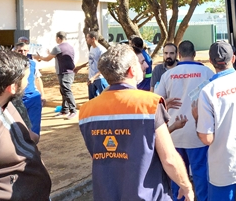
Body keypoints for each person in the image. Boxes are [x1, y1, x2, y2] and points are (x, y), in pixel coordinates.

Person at [78, 44, 194, 201]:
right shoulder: (150, 104)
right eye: (140, 63)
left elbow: (99, 156)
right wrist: (186, 186)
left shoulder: (86, 110)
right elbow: (169, 158)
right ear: (131, 71)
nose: (145, 65)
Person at [0, 49, 52, 200]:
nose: (29, 82)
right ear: (12, 87)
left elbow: (28, 136)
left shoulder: (1, 100)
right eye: (28, 78)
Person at [192, 41, 236, 201]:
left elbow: (207, 138)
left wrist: (196, 117)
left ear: (211, 61)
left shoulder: (207, 91)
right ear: (233, 58)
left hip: (222, 168)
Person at [155, 40, 215, 201]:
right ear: (194, 54)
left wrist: (167, 104)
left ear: (179, 55)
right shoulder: (207, 73)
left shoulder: (167, 75)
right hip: (198, 133)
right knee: (201, 174)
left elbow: (157, 102)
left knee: (177, 175)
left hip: (175, 133)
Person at [34, 31, 78, 119]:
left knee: (66, 91)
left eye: (56, 38)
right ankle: (65, 110)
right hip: (70, 71)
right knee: (64, 91)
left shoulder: (58, 47)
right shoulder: (70, 47)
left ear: (58, 38)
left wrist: (39, 58)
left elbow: (47, 59)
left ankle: (73, 110)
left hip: (63, 72)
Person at [15, 42, 46, 135]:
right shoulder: (11, 65)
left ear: (28, 51)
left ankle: (33, 146)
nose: (22, 52)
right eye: (20, 50)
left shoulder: (33, 64)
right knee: (17, 125)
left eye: (25, 50)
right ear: (16, 51)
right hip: (17, 98)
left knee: (34, 125)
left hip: (33, 97)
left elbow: (38, 79)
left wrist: (43, 95)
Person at [74, 31, 108, 99]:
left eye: (87, 38)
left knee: (103, 99)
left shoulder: (102, 50)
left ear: (93, 39)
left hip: (100, 79)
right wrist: (80, 67)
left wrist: (94, 77)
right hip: (91, 78)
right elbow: (91, 60)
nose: (86, 39)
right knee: (92, 100)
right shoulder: (92, 48)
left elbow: (104, 66)